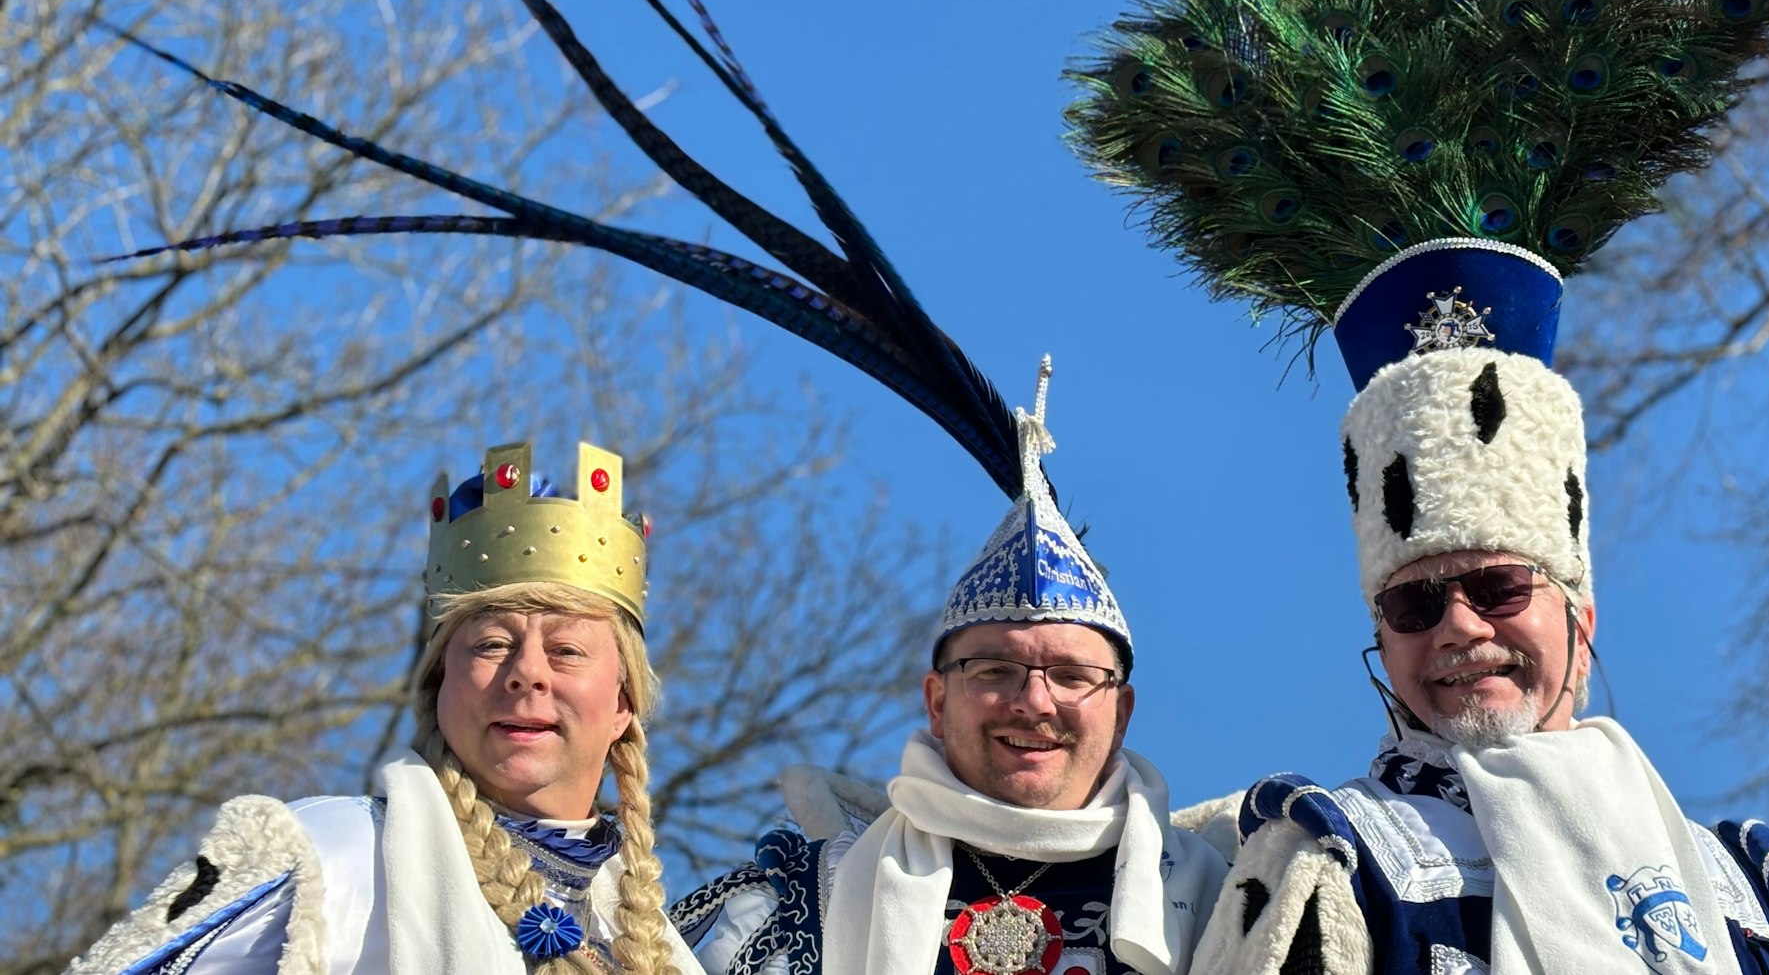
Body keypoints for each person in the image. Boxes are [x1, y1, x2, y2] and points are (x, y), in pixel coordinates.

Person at [1063, 0, 1769, 971]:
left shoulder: (1747, 898)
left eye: (1496, 587)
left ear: (1580, 610)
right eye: (1414, 602)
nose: (1458, 633)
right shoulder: (1330, 871)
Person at [678, 360, 1228, 975]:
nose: (1035, 702)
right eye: (994, 670)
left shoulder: (1226, 905)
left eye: (1071, 676)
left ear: (1121, 712)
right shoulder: (795, 905)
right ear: (937, 701)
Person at [70, 442, 701, 974]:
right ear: (439, 687)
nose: (526, 673)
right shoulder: (332, 858)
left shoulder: (662, 948)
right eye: (491, 644)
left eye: (565, 650)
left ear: (623, 706)